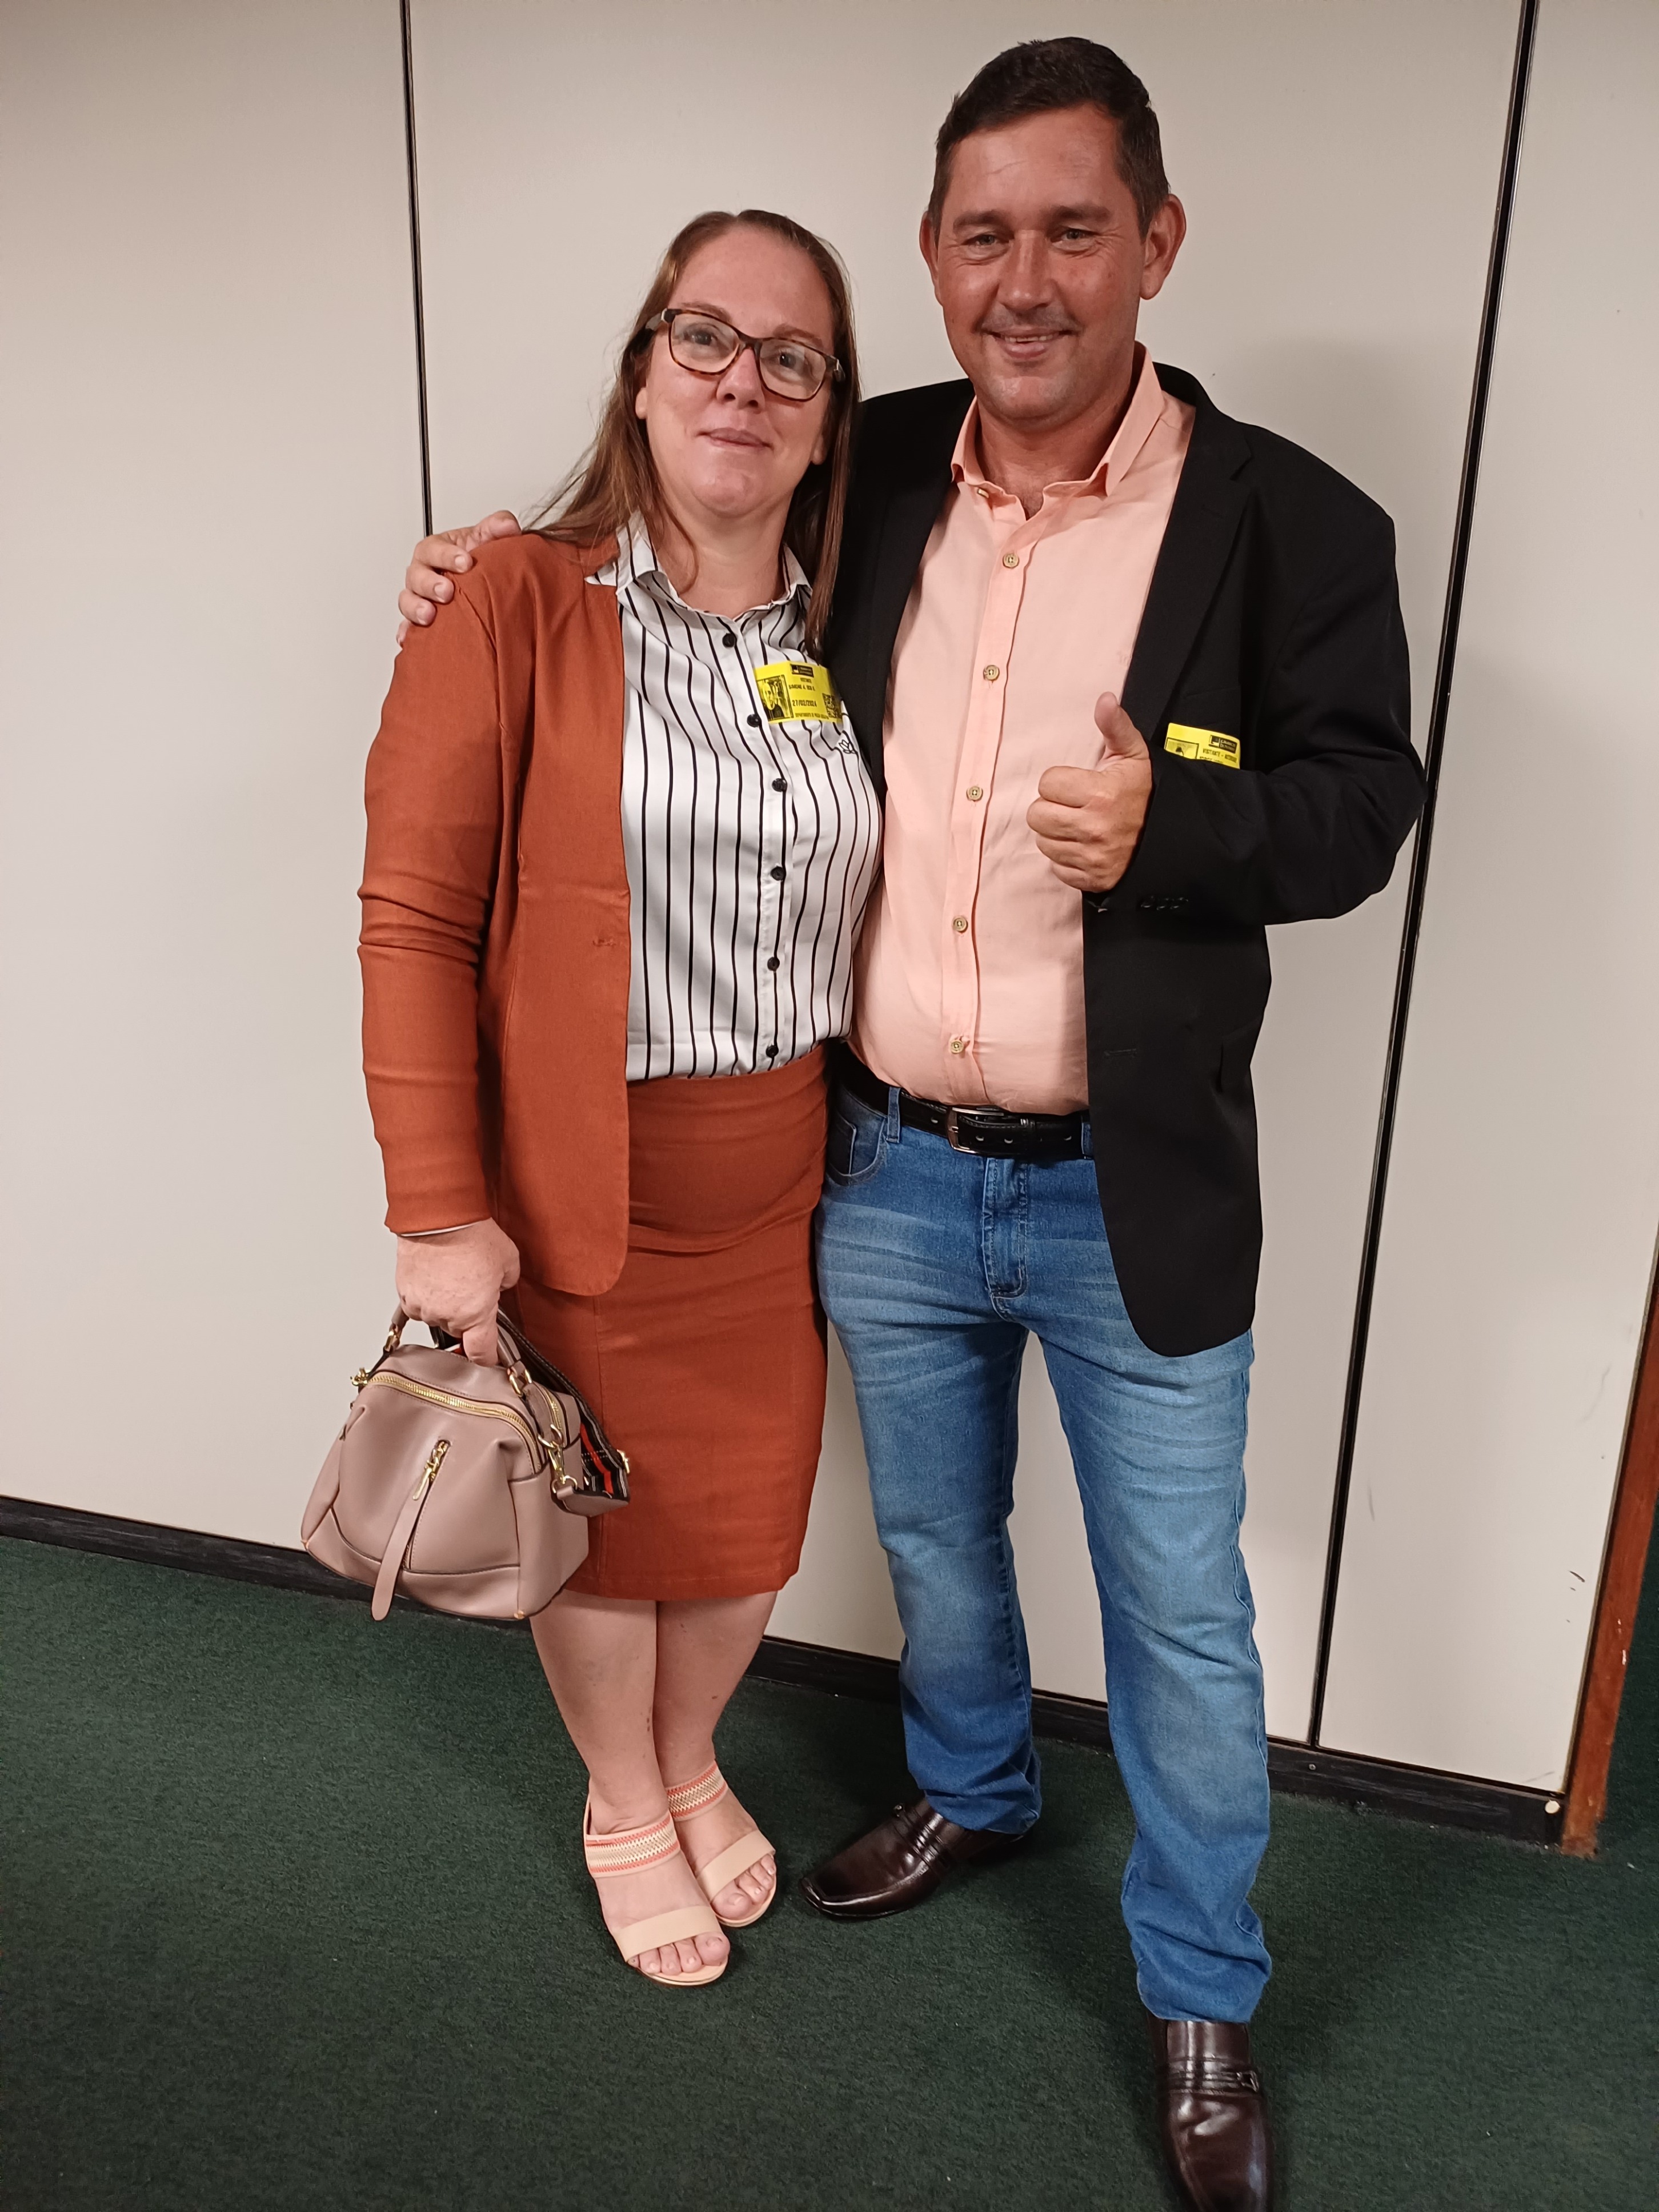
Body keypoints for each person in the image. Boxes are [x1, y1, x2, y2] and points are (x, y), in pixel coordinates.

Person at [398, 37, 1421, 2208]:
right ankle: (974, 1782)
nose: (1024, 279)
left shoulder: (1300, 522)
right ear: (937, 264)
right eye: (981, 236)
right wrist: (486, 557)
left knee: (1181, 1611)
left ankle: (1203, 1992)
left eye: (1073, 229)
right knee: (941, 1545)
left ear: (1158, 241)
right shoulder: (858, 463)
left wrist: (1183, 829)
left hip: (1132, 1193)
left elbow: (1365, 809)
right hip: (877, 1171)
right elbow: (666, 537)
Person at [363, 207, 879, 1991]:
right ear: (644, 373)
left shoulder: (858, 621)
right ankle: (619, 1798)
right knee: (602, 1524)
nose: (745, 382)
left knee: (740, 1526)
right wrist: (440, 1208)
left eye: (793, 358)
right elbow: (414, 919)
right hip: (586, 1173)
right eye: (705, 338)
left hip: (785, 1171)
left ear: (830, 416)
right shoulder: (514, 597)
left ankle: (687, 1756)